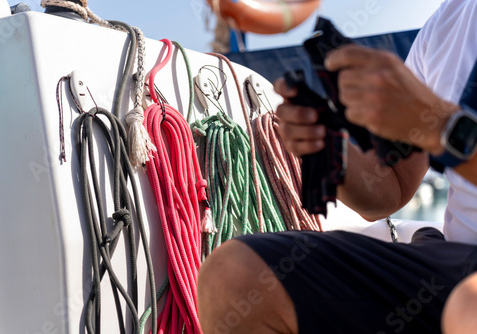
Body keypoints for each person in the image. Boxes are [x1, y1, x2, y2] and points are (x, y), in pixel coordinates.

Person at [197, 0, 477, 333]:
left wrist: (444, 129)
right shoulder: (448, 22)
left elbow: (434, 128)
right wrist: (329, 147)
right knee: (235, 276)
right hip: (458, 263)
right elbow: (393, 188)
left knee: (467, 307)